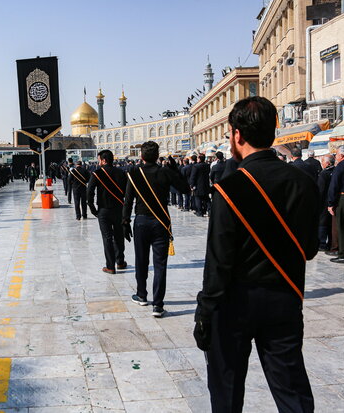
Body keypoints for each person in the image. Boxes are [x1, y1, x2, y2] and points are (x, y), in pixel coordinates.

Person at [194, 96, 318, 412]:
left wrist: (205, 309)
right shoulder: (303, 182)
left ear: (237, 135)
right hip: (284, 297)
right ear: (272, 132)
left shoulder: (228, 188)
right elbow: (310, 248)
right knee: (291, 390)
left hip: (234, 303)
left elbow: (219, 261)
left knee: (227, 390)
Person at [123, 141, 190, 317]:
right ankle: (158, 305)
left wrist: (124, 222)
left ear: (142, 156)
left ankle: (142, 295)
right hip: (161, 221)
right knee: (160, 265)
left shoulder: (134, 173)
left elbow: (128, 200)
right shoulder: (165, 172)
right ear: (157, 155)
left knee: (141, 259)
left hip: (141, 221)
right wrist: (174, 169)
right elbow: (185, 189)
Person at [87, 150, 127, 274]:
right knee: (119, 236)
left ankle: (110, 266)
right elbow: (127, 192)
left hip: (103, 210)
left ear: (104, 160)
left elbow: (89, 192)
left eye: (99, 160)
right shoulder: (121, 173)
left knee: (107, 238)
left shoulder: (97, 173)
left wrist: (93, 209)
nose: (98, 162)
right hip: (119, 208)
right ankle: (120, 261)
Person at [317, 154, 337, 252]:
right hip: (334, 201)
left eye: (322, 162)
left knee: (322, 223)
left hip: (324, 202)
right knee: (331, 223)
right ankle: (331, 243)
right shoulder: (336, 171)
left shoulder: (323, 174)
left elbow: (320, 190)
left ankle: (322, 243)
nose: (321, 164)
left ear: (327, 163)